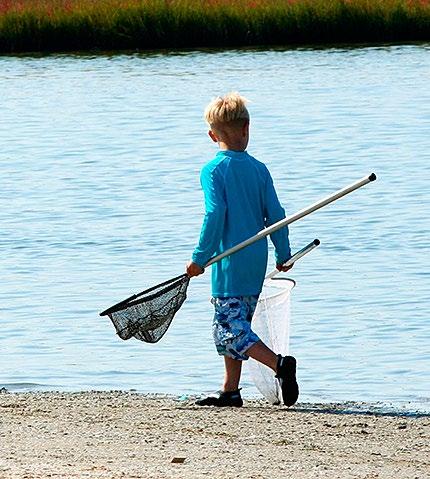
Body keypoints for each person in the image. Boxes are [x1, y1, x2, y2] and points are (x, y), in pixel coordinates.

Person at [186, 92, 299, 408]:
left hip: (229, 264)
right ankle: (230, 391)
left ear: (212, 135)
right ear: (247, 127)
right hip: (255, 261)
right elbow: (276, 215)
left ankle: (279, 365)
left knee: (230, 328)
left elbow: (214, 214)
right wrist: (283, 253)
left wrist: (199, 258)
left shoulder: (213, 170)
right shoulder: (259, 169)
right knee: (235, 325)